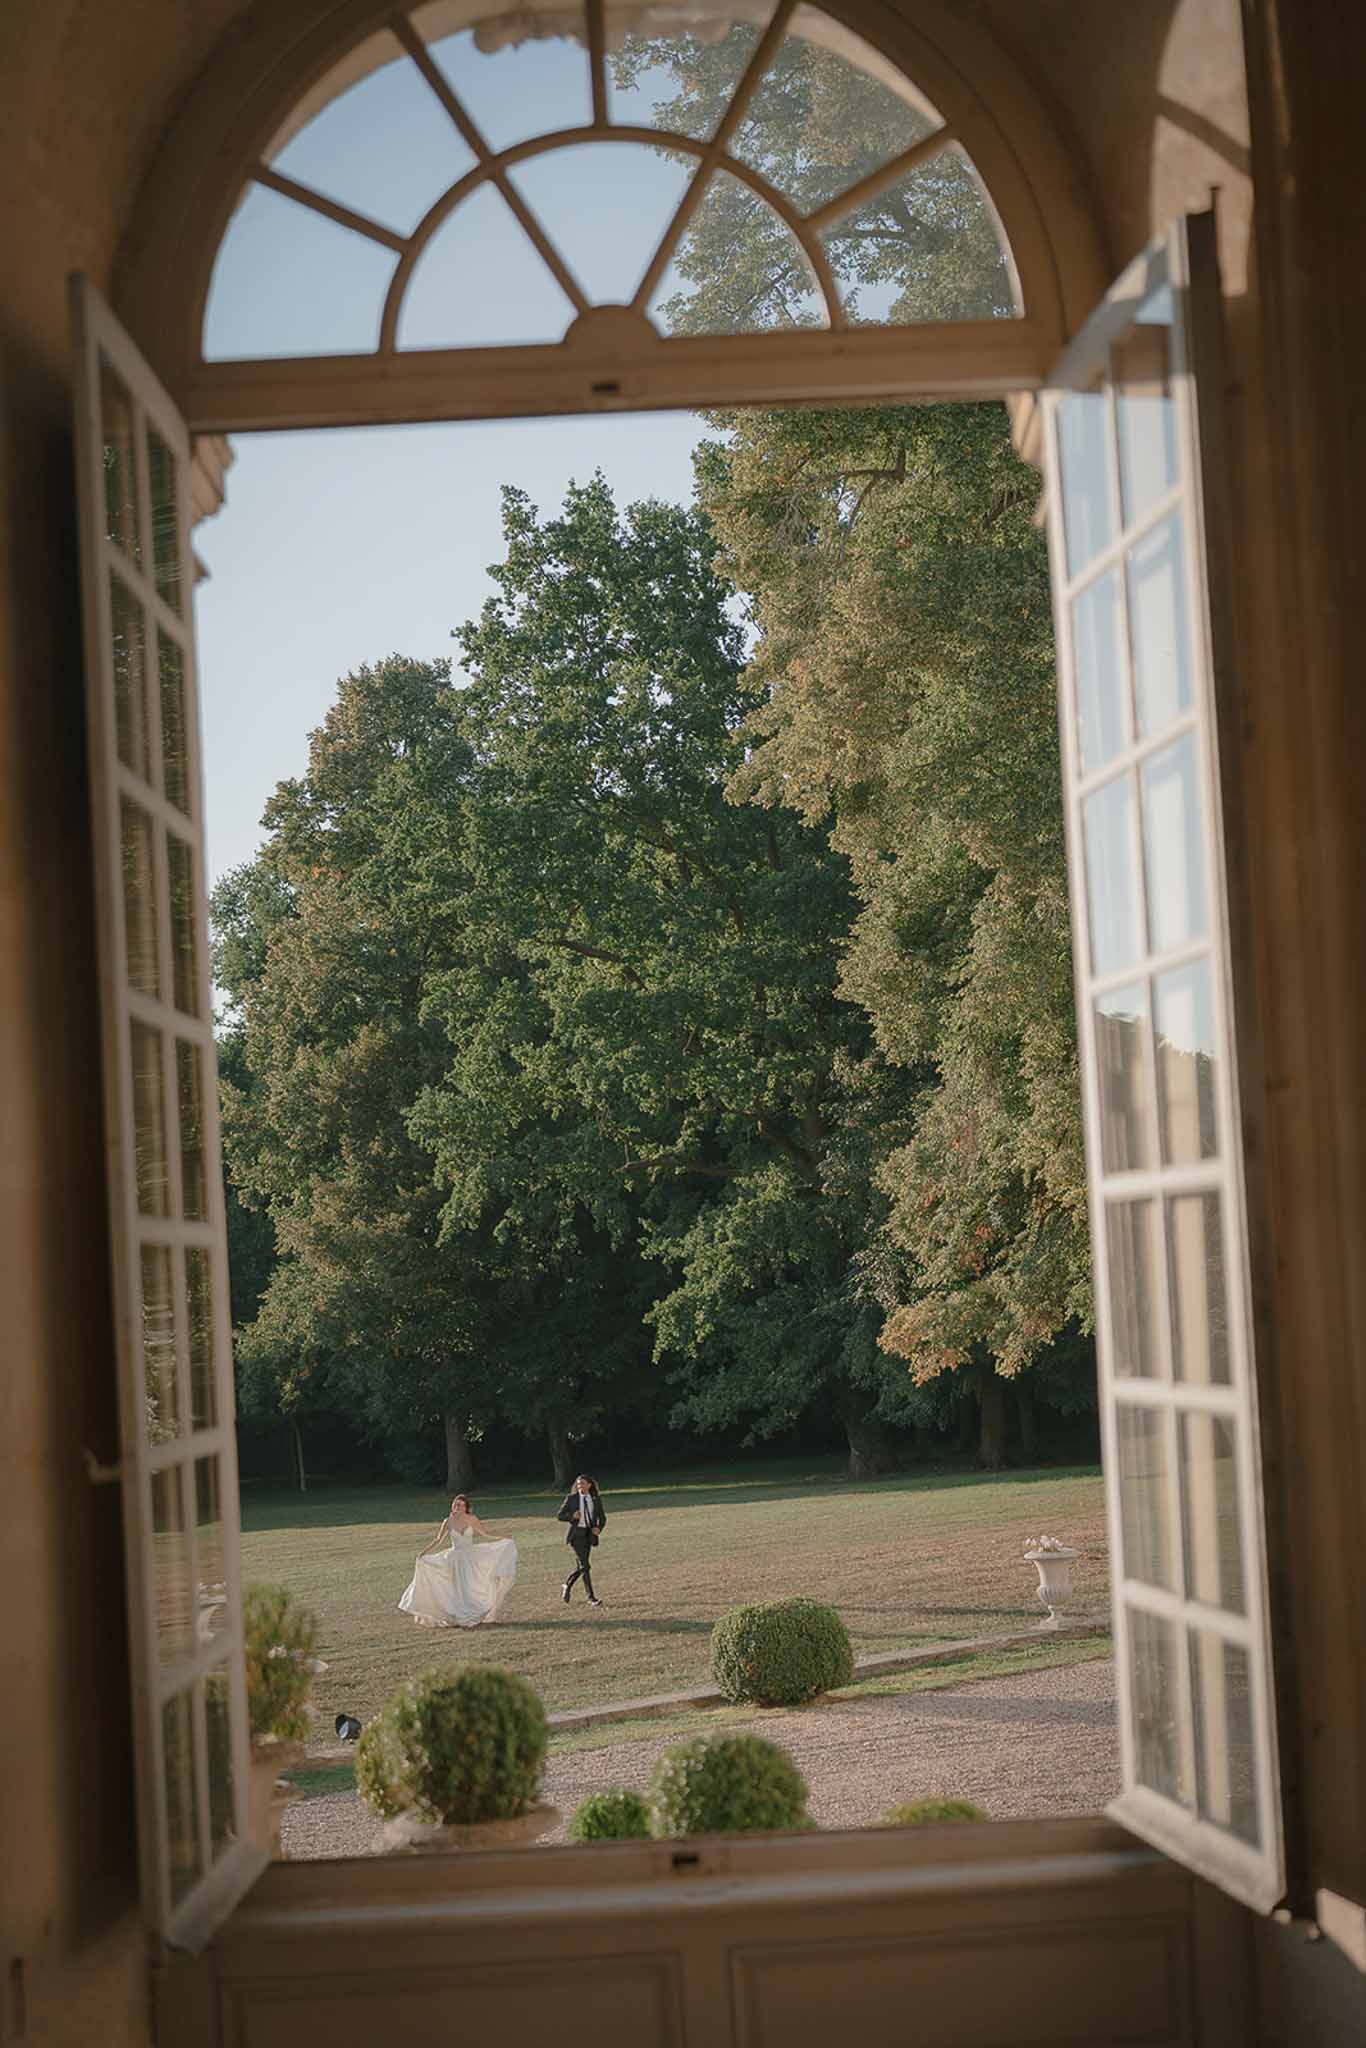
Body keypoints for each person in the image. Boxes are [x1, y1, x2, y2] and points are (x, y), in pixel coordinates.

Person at [398, 1494, 518, 1628]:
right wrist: (423, 1553)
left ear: (466, 1507)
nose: (457, 1506)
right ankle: (459, 1613)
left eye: (460, 1504)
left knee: (470, 1585)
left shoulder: (471, 1519)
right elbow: (438, 1540)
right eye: (455, 1504)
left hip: (470, 1557)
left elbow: (486, 1533)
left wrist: (504, 1538)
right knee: (457, 1587)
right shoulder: (448, 1521)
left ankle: (473, 1611)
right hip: (454, 1559)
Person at [556, 1474, 606, 1607]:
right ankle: (591, 1598)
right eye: (578, 1484)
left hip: (588, 1536)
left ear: (589, 1485)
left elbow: (603, 1518)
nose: (580, 1486)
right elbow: (560, 1515)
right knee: (585, 1567)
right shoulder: (571, 1499)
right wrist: (572, 1516)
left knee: (582, 1567)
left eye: (582, 1483)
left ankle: (567, 1585)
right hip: (576, 1536)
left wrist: (598, 1528)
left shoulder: (595, 1499)